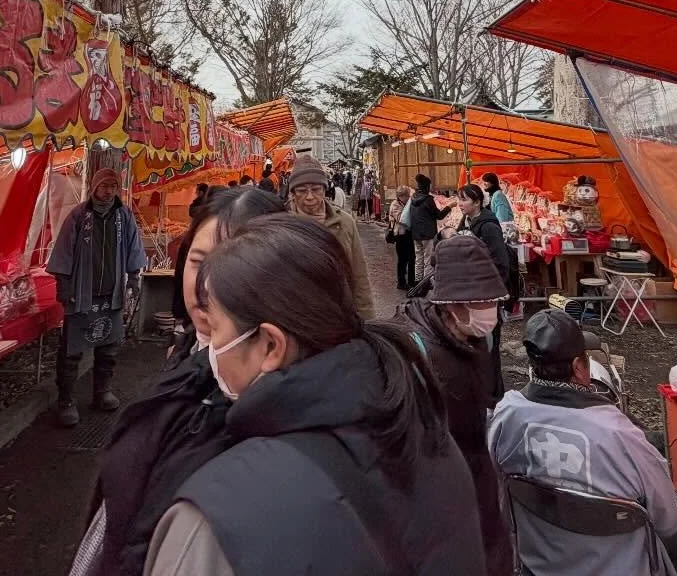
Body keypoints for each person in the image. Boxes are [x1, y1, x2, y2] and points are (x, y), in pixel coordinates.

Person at [143, 215, 486, 576]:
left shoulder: (214, 518)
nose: (210, 348)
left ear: (271, 345)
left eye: (214, 330)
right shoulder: (425, 428)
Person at [81, 188, 288, 576]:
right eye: (199, 262)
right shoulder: (191, 357)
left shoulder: (263, 397)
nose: (209, 287)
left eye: (234, 266)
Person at [489, 310, 677, 576]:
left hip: (539, 566)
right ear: (580, 367)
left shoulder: (507, 414)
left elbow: (492, 486)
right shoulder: (620, 434)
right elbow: (669, 524)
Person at [397, 235, 514, 576]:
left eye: (492, 301)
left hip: (476, 466)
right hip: (441, 487)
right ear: (450, 304)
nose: (488, 311)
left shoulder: (477, 335)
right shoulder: (417, 352)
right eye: (480, 303)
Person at [47, 168, 148, 425]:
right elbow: (63, 251)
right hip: (82, 293)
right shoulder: (79, 215)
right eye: (105, 186)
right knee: (71, 350)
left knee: (109, 348)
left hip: (111, 293)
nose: (109, 191)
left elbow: (133, 247)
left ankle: (102, 391)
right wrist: (64, 285)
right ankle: (66, 400)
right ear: (94, 187)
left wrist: (134, 276)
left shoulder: (123, 216)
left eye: (114, 186)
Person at [286, 156, 374, 318]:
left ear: (325, 189)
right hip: (300, 318)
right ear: (293, 193)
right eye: (302, 191)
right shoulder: (283, 226)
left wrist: (367, 319)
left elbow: (358, 273)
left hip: (340, 313)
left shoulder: (345, 222)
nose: (310, 196)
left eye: (316, 189)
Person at [459, 183, 512, 398]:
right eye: (459, 198)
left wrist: (491, 293)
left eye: (464, 199)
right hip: (471, 294)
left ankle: (493, 396)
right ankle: (480, 392)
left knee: (490, 349)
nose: (459, 203)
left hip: (487, 295)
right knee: (477, 346)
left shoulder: (489, 226)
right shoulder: (466, 221)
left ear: (478, 202)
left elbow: (501, 264)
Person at [404, 174, 450, 283]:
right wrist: (449, 207)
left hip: (416, 233)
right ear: (427, 187)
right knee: (428, 259)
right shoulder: (428, 199)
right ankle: (426, 282)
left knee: (419, 259)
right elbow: (439, 215)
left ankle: (418, 281)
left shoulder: (413, 197)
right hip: (427, 234)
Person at [388, 185, 415, 290]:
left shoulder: (407, 202)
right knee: (402, 259)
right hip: (400, 235)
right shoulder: (395, 205)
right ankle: (401, 282)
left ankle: (411, 282)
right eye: (406, 196)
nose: (408, 197)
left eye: (409, 195)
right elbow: (401, 219)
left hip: (409, 234)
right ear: (400, 196)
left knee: (412, 258)